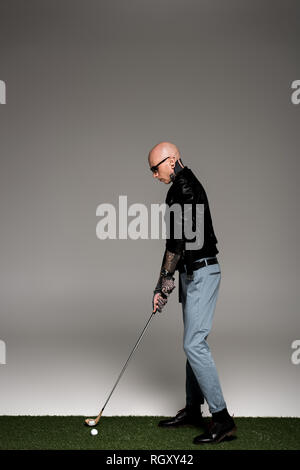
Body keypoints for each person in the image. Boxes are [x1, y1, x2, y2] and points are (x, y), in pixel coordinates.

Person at [148, 141, 237, 444]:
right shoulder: (185, 185)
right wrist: (169, 282)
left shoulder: (182, 189)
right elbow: (179, 244)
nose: (153, 175)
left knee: (193, 343)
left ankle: (222, 419)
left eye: (155, 168)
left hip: (201, 272)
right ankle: (192, 410)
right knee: (192, 341)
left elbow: (176, 243)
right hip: (192, 272)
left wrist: (162, 284)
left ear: (171, 161)